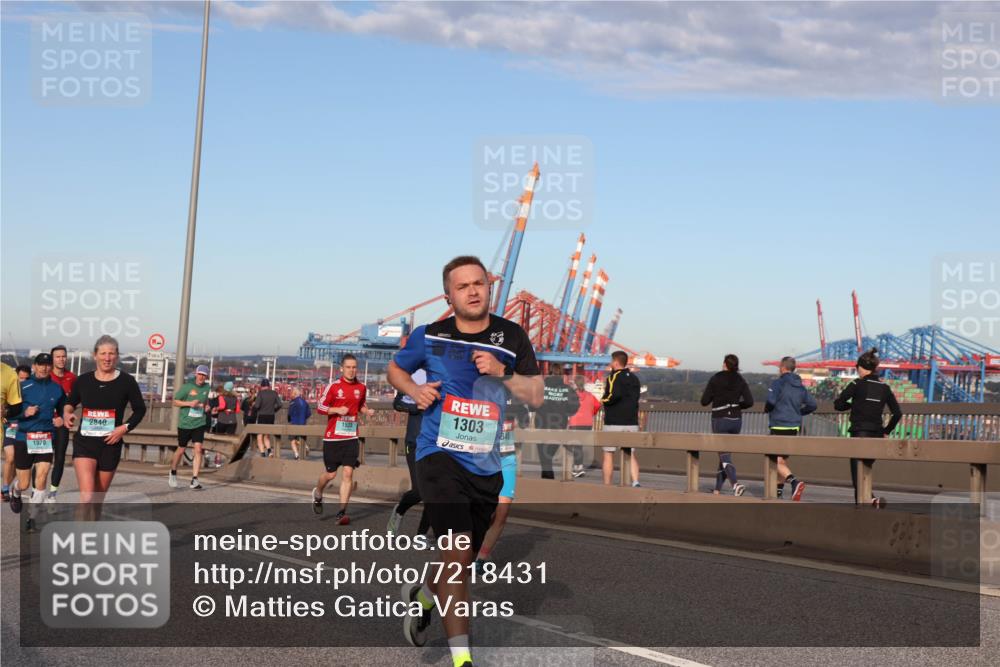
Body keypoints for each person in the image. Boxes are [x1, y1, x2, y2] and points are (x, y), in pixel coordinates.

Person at [388, 255, 542, 667]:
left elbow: (537, 395)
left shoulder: (512, 336)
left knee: (460, 563)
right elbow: (395, 370)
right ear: (448, 295)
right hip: (438, 456)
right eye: (463, 286)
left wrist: (501, 373)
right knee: (456, 555)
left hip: (486, 464)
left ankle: (422, 597)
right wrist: (415, 391)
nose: (473, 290)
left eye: (479, 283)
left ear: (489, 288)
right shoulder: (429, 335)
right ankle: (463, 661)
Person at [63, 335, 146, 517]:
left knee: (97, 501)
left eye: (111, 354)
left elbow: (140, 409)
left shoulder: (127, 381)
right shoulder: (83, 380)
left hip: (110, 444)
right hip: (85, 443)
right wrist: (67, 413)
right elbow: (70, 403)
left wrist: (124, 427)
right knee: (86, 496)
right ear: (95, 355)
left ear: (116, 356)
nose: (107, 358)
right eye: (103, 353)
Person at [833, 348, 902, 507]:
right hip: (877, 435)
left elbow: (838, 404)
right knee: (866, 474)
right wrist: (886, 431)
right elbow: (897, 413)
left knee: (858, 477)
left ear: (860, 367)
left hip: (859, 433)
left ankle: (869, 503)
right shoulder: (884, 388)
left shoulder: (857, 384)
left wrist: (853, 405)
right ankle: (869, 504)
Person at [313, 354, 374, 524]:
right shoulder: (333, 387)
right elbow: (320, 407)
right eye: (348, 367)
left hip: (351, 436)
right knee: (331, 475)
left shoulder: (361, 387)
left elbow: (360, 404)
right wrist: (336, 410)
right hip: (333, 438)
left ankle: (341, 513)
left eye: (354, 367)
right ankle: (318, 492)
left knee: (348, 473)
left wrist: (366, 411)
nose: (352, 370)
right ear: (341, 368)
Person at [9, 353, 65, 531]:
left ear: (51, 367)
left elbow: (65, 410)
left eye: (48, 364)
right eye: (41, 364)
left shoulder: (57, 389)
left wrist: (62, 419)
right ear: (34, 366)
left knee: (41, 478)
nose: (44, 368)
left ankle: (31, 518)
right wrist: (24, 413)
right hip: (24, 438)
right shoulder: (22, 386)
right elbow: (8, 412)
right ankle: (14, 491)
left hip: (46, 438)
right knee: (24, 484)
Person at [475, 396, 529, 572]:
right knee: (481, 512)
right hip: (482, 457)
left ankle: (480, 560)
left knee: (502, 512)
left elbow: (524, 420)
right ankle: (469, 549)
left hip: (507, 457)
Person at [764, 356, 817, 501]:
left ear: (782, 367)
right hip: (794, 426)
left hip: (778, 424)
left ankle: (794, 481)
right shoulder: (799, 385)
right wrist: (799, 413)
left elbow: (771, 401)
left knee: (773, 459)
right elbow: (813, 404)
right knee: (782, 461)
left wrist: (767, 409)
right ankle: (779, 492)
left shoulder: (778, 383)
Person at [700, 354, 753, 496]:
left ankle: (735, 484)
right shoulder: (741, 379)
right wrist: (736, 406)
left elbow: (704, 401)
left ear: (724, 364)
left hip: (720, 419)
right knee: (724, 455)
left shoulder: (716, 378)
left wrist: (715, 396)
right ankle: (717, 490)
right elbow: (749, 402)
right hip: (736, 420)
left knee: (723, 455)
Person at [386, 369, 431, 536]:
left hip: (438, 443)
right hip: (414, 442)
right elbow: (397, 404)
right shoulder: (413, 375)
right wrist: (417, 407)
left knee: (435, 492)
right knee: (420, 491)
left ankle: (421, 535)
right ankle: (399, 510)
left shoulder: (445, 374)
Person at [601, 351, 642, 487]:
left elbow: (613, 395)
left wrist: (604, 400)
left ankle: (607, 486)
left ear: (616, 362)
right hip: (631, 421)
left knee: (608, 453)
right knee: (630, 453)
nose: (611, 364)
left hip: (614, 421)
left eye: (612, 361)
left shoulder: (613, 377)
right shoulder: (635, 379)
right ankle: (635, 482)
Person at [535, 363, 580, 479]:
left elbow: (532, 404)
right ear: (561, 375)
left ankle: (547, 485)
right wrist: (564, 412)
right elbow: (574, 407)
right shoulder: (568, 389)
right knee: (548, 457)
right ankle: (548, 486)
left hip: (541, 426)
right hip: (559, 427)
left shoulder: (540, 387)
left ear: (549, 373)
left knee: (545, 459)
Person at [169, 364, 210, 490]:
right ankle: (173, 472)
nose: (201, 377)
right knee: (181, 450)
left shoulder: (207, 387)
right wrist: (189, 403)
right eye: (200, 374)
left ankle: (195, 479)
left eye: (204, 375)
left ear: (206, 376)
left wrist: (206, 407)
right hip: (185, 424)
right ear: (196, 374)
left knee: (198, 449)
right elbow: (175, 401)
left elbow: (205, 402)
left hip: (199, 423)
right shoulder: (187, 387)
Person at [47, 345, 77, 503]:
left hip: (62, 425)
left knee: (59, 459)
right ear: (52, 359)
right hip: (45, 424)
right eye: (58, 356)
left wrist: (68, 414)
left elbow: (75, 400)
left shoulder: (72, 378)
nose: (61, 359)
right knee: (42, 460)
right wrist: (51, 418)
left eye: (63, 356)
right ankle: (36, 491)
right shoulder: (46, 376)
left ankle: (52, 494)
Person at [567, 375, 601, 477]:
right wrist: (592, 413)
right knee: (579, 445)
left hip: (575, 422)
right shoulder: (590, 395)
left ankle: (577, 468)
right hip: (587, 423)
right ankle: (578, 466)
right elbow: (598, 405)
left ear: (575, 384)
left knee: (575, 445)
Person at [1, 363, 25, 502]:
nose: (22, 381)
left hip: (23, 428)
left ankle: (10, 486)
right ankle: (5, 488)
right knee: (10, 457)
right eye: (20, 378)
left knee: (16, 459)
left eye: (25, 379)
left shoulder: (30, 391)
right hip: (10, 426)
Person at [254, 379, 282, 457]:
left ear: (262, 386)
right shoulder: (274, 393)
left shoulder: (260, 393)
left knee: (259, 436)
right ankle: (269, 451)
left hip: (262, 416)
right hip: (271, 416)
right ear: (268, 386)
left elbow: (257, 406)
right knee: (266, 435)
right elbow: (280, 404)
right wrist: (274, 410)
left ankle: (263, 453)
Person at [287, 387, 311, 460]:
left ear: (294, 394)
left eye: (291, 393)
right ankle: (305, 446)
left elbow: (289, 413)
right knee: (300, 439)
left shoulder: (292, 402)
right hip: (303, 423)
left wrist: (290, 419)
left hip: (294, 423)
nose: (291, 395)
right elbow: (309, 413)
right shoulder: (305, 402)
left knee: (292, 440)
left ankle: (296, 454)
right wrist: (303, 418)